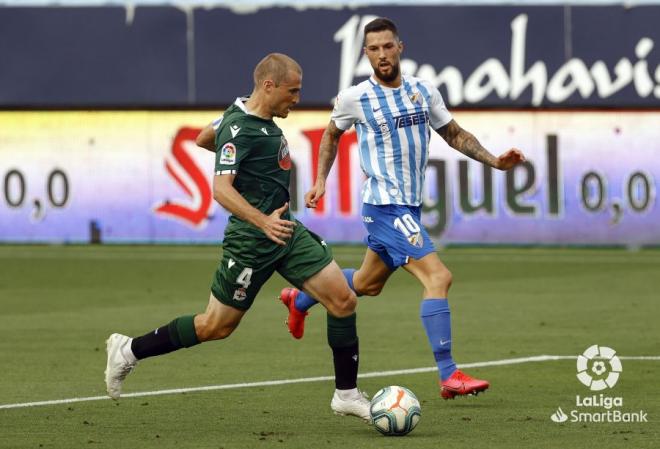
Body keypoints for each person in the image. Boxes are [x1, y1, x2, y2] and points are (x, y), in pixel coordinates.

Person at [105, 53, 370, 420]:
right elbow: (220, 189)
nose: (297, 98)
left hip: (285, 232)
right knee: (216, 326)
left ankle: (347, 394)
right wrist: (261, 220)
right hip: (252, 240)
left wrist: (236, 145)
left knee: (342, 300)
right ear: (268, 85)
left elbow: (202, 137)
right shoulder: (241, 128)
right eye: (292, 91)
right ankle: (129, 349)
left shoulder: (241, 115)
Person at [278, 18, 526, 399]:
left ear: (400, 47)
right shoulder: (355, 98)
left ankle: (301, 298)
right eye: (374, 49)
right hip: (384, 208)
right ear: (366, 54)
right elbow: (331, 134)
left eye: (387, 46)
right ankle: (449, 374)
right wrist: (321, 180)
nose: (382, 55)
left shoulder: (422, 92)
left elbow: (454, 134)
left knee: (366, 284)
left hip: (407, 206)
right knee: (438, 278)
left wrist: (494, 161)